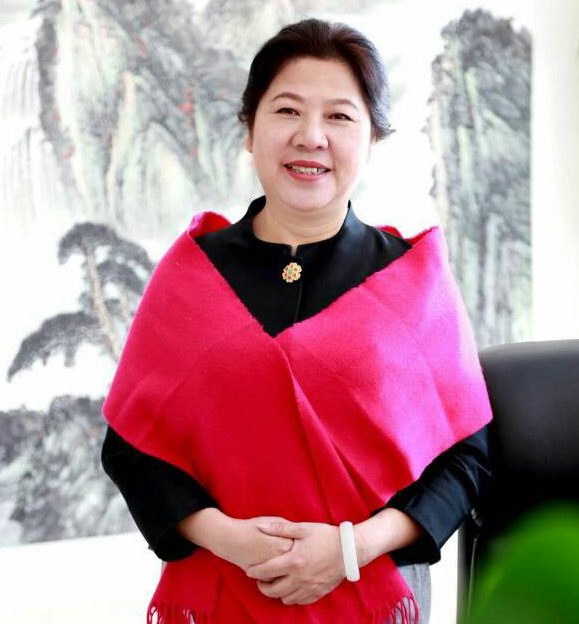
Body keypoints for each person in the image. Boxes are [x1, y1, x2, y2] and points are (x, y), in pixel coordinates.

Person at [101, 17, 492, 624]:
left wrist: (350, 550)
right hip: (220, 590)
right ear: (250, 129)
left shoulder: (413, 280)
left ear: (371, 138)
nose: (311, 136)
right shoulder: (190, 273)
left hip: (373, 591)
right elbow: (132, 447)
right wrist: (229, 539)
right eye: (287, 111)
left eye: (339, 117)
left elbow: (465, 461)